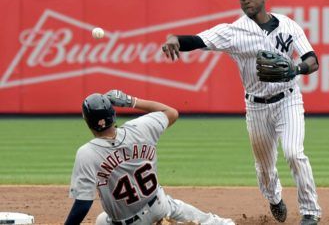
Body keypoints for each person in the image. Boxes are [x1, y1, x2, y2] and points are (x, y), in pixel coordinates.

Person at [161, 0, 321, 225]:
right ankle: (274, 197)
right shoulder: (233, 31)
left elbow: (313, 60)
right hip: (256, 106)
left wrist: (296, 69)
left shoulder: (289, 25)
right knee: (265, 168)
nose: (245, 0)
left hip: (288, 100)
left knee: (294, 153)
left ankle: (310, 211)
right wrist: (175, 38)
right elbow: (199, 40)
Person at [65, 90, 235, 225]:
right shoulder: (140, 128)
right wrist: (130, 101)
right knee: (219, 223)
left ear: (86, 121)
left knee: (102, 220)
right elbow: (171, 112)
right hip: (160, 207)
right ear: (113, 114)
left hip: (126, 222)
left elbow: (83, 205)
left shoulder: (87, 153)